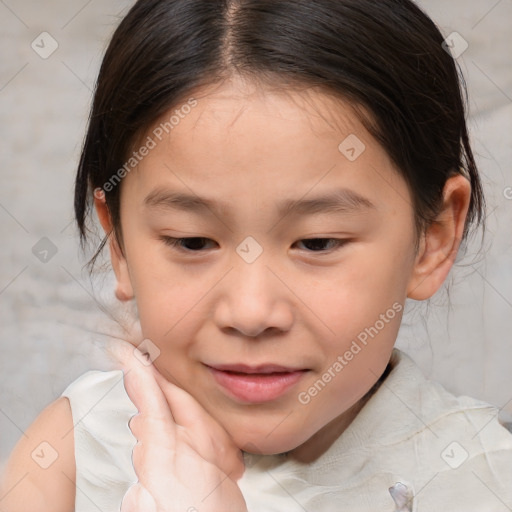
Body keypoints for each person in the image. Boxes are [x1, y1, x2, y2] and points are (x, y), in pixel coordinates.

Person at [2, 0, 512, 510]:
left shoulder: (487, 479)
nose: (250, 313)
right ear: (120, 243)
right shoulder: (74, 456)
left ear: (433, 236)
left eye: (317, 243)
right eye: (192, 242)